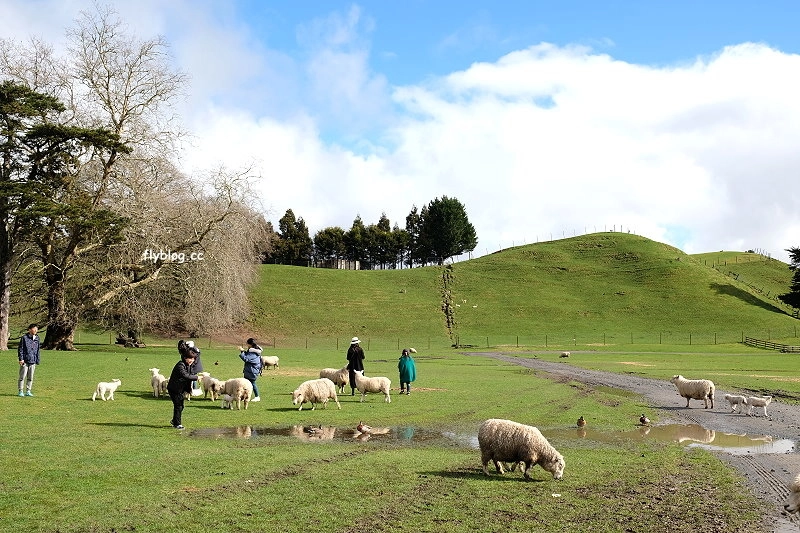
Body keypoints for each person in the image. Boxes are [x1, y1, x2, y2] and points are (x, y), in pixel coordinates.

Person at [167, 340, 199, 429]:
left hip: (179, 389)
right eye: (190, 359)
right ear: (185, 358)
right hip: (174, 389)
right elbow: (185, 376)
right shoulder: (180, 365)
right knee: (179, 405)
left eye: (193, 359)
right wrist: (197, 378)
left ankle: (174, 421)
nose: (192, 360)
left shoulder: (187, 365)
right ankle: (177, 424)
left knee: (180, 405)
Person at [17, 323, 41, 397]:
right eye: (34, 328)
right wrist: (21, 359)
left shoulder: (37, 338)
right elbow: (21, 349)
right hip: (25, 360)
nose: (35, 330)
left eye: (36, 328)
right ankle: (20, 391)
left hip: (33, 360)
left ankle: (28, 391)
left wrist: (37, 359)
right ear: (30, 329)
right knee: (22, 377)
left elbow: (38, 350)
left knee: (30, 377)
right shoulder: (24, 338)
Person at [239, 338, 263, 402]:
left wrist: (242, 352)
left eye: (247, 343)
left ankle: (257, 396)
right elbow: (247, 356)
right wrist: (244, 351)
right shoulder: (254, 351)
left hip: (252, 371)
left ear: (250, 344)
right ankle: (244, 396)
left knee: (251, 383)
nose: (246, 344)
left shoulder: (252, 352)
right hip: (251, 370)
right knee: (247, 383)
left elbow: (246, 359)